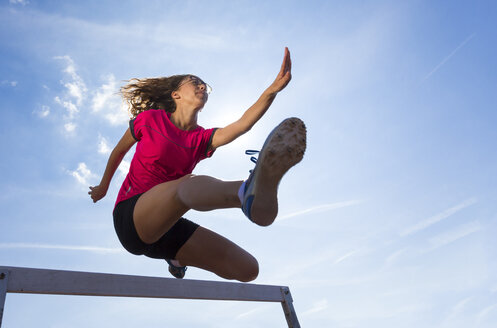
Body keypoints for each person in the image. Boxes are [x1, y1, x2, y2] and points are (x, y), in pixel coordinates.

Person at [89, 47, 306, 282]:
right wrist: (103, 186)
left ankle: (176, 259)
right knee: (186, 186)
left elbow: (242, 125)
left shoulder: (201, 139)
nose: (202, 87)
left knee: (247, 269)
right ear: (175, 95)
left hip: (167, 224)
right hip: (132, 217)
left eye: (204, 85)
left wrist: (272, 90)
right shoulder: (150, 119)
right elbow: (119, 150)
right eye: (194, 82)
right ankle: (245, 191)